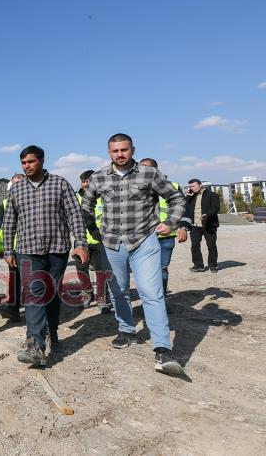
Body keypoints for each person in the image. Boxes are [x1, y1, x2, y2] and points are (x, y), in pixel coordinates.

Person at [81, 134, 186, 376]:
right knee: (118, 291)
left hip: (144, 241)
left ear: (132, 150)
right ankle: (126, 329)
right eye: (115, 150)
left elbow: (176, 198)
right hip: (111, 243)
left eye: (124, 149)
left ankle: (162, 349)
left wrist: (171, 222)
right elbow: (85, 206)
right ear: (109, 152)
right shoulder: (98, 177)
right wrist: (94, 231)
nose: (120, 154)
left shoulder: (149, 174)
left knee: (151, 292)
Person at [2, 146, 88, 366]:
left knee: (52, 293)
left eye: (31, 162)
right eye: (24, 163)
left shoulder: (60, 184)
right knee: (34, 294)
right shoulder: (16, 189)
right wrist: (8, 250)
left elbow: (74, 214)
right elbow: (9, 222)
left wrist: (80, 243)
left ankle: (53, 333)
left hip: (57, 249)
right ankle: (35, 344)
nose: (27, 166)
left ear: (41, 161)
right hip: (27, 250)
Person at [139, 159, 189, 294]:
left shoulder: (172, 186)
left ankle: (161, 298)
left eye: (145, 168)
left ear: (156, 170)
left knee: (161, 268)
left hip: (166, 236)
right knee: (145, 270)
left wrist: (183, 227)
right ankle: (150, 298)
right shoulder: (136, 186)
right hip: (144, 236)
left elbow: (184, 207)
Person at [76, 170, 113, 313]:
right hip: (82, 241)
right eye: (83, 181)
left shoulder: (104, 197)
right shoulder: (76, 198)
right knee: (81, 270)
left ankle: (101, 298)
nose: (86, 184)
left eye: (88, 181)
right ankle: (87, 293)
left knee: (101, 271)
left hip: (100, 241)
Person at [0, 174, 24, 322]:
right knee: (15, 279)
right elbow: (1, 225)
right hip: (14, 249)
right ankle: (13, 308)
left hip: (31, 248)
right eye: (14, 185)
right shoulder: (5, 203)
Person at [185, 178, 220, 273]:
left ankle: (213, 265)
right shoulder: (191, 196)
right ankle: (198, 265)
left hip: (209, 225)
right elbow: (184, 207)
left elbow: (216, 208)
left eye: (193, 186)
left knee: (211, 245)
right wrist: (187, 197)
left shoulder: (212, 195)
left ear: (200, 185)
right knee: (195, 245)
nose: (191, 188)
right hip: (195, 225)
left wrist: (207, 215)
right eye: (190, 186)